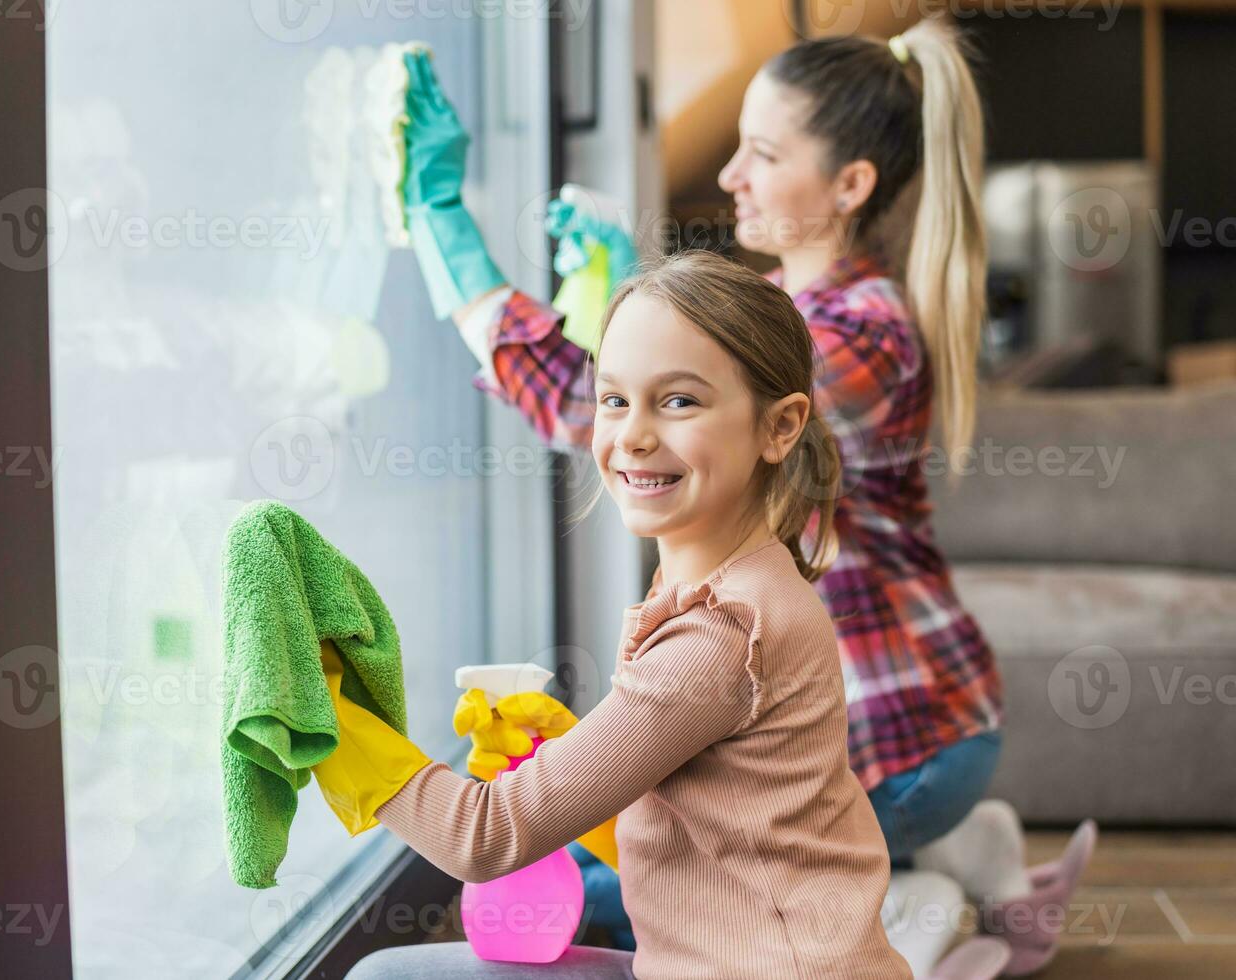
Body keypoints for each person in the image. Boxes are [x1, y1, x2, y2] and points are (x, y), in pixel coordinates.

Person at [394, 17, 1094, 976]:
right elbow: (647, 397)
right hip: (883, 728)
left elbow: (581, 401)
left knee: (600, 890)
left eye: (763, 153)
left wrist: (452, 238)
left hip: (905, 735)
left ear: (849, 186)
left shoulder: (861, 331)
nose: (729, 176)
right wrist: (607, 299)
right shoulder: (788, 309)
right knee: (627, 857)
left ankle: (919, 898)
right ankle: (951, 857)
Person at [324, 250, 914, 979]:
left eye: (678, 402)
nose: (632, 434)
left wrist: (328, 722)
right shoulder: (739, 586)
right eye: (614, 399)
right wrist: (578, 754)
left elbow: (487, 836)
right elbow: (709, 831)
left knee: (381, 977)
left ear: (780, 426)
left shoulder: (722, 634)